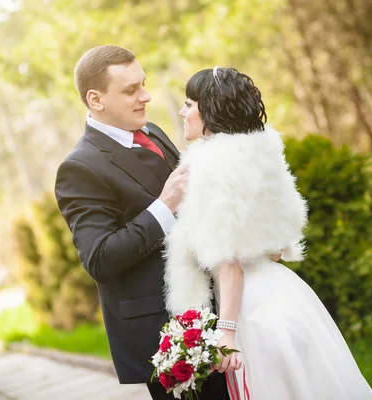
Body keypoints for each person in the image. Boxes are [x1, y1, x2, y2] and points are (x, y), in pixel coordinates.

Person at [164, 66, 372, 399]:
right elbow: (277, 248)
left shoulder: (211, 166)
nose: (183, 111)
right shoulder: (259, 154)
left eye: (189, 104)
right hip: (287, 293)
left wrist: (228, 333)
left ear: (211, 110)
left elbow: (229, 259)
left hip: (253, 311)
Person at [54, 46, 230, 400]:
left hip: (216, 309)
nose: (145, 96)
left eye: (144, 85)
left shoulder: (152, 130)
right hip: (168, 335)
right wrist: (164, 206)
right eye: (130, 90)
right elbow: (99, 259)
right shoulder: (80, 168)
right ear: (95, 99)